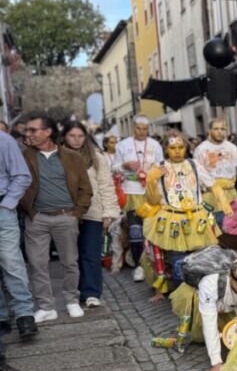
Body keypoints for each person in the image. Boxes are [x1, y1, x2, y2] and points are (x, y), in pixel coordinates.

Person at [19, 112, 93, 321]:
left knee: (70, 262)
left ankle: (71, 300)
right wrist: (28, 211)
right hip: (37, 218)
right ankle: (46, 306)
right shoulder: (25, 156)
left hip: (65, 217)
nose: (28, 134)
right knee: (37, 263)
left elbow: (85, 189)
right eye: (27, 130)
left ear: (48, 132)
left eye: (33, 130)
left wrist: (76, 214)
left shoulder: (72, 157)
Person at [141, 130, 220, 297]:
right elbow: (153, 200)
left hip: (196, 219)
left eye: (181, 147)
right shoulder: (159, 167)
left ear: (186, 147)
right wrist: (151, 181)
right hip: (172, 219)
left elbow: (212, 184)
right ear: (165, 148)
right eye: (172, 147)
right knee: (177, 259)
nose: (177, 151)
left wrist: (223, 203)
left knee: (200, 258)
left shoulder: (194, 165)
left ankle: (201, 294)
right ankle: (181, 296)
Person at [167, 257, 237, 371]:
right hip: (203, 297)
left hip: (231, 303)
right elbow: (209, 323)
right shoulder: (210, 283)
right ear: (230, 276)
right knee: (201, 334)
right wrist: (216, 363)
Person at [62, 121, 118, 308]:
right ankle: (75, 291)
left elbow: (105, 185)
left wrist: (108, 212)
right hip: (66, 212)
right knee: (71, 256)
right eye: (72, 136)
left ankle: (92, 292)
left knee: (91, 254)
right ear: (65, 137)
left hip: (93, 212)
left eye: (80, 136)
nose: (76, 140)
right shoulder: (58, 156)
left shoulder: (96, 157)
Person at [113, 115, 164, 282]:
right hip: (132, 191)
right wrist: (124, 166)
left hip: (151, 192)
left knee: (152, 230)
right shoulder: (123, 145)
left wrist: (154, 171)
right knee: (135, 231)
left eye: (144, 129)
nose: (141, 132)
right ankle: (138, 266)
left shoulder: (155, 145)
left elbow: (163, 167)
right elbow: (114, 168)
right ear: (133, 128)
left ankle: (156, 265)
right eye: (138, 128)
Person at [0, 127, 37, 341]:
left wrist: (6, 205)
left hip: (2, 207)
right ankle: (2, 316)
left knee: (11, 262)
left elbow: (22, 176)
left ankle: (24, 315)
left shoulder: (4, 141)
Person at [193, 118, 237, 227]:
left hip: (231, 195)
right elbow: (198, 174)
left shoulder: (233, 148)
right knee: (214, 229)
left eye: (222, 129)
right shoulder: (201, 149)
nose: (220, 131)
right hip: (211, 195)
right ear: (209, 131)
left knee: (232, 229)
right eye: (216, 129)